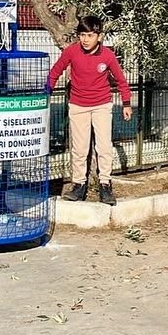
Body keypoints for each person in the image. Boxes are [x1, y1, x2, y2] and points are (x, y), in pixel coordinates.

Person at [47, 15, 132, 205]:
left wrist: (126, 104)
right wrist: (48, 91)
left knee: (103, 147)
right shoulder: (72, 51)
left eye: (90, 35)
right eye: (82, 35)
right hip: (78, 106)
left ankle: (105, 185)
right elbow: (56, 71)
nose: (85, 39)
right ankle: (78, 185)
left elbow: (121, 80)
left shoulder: (108, 56)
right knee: (79, 148)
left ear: (99, 36)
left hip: (101, 105)